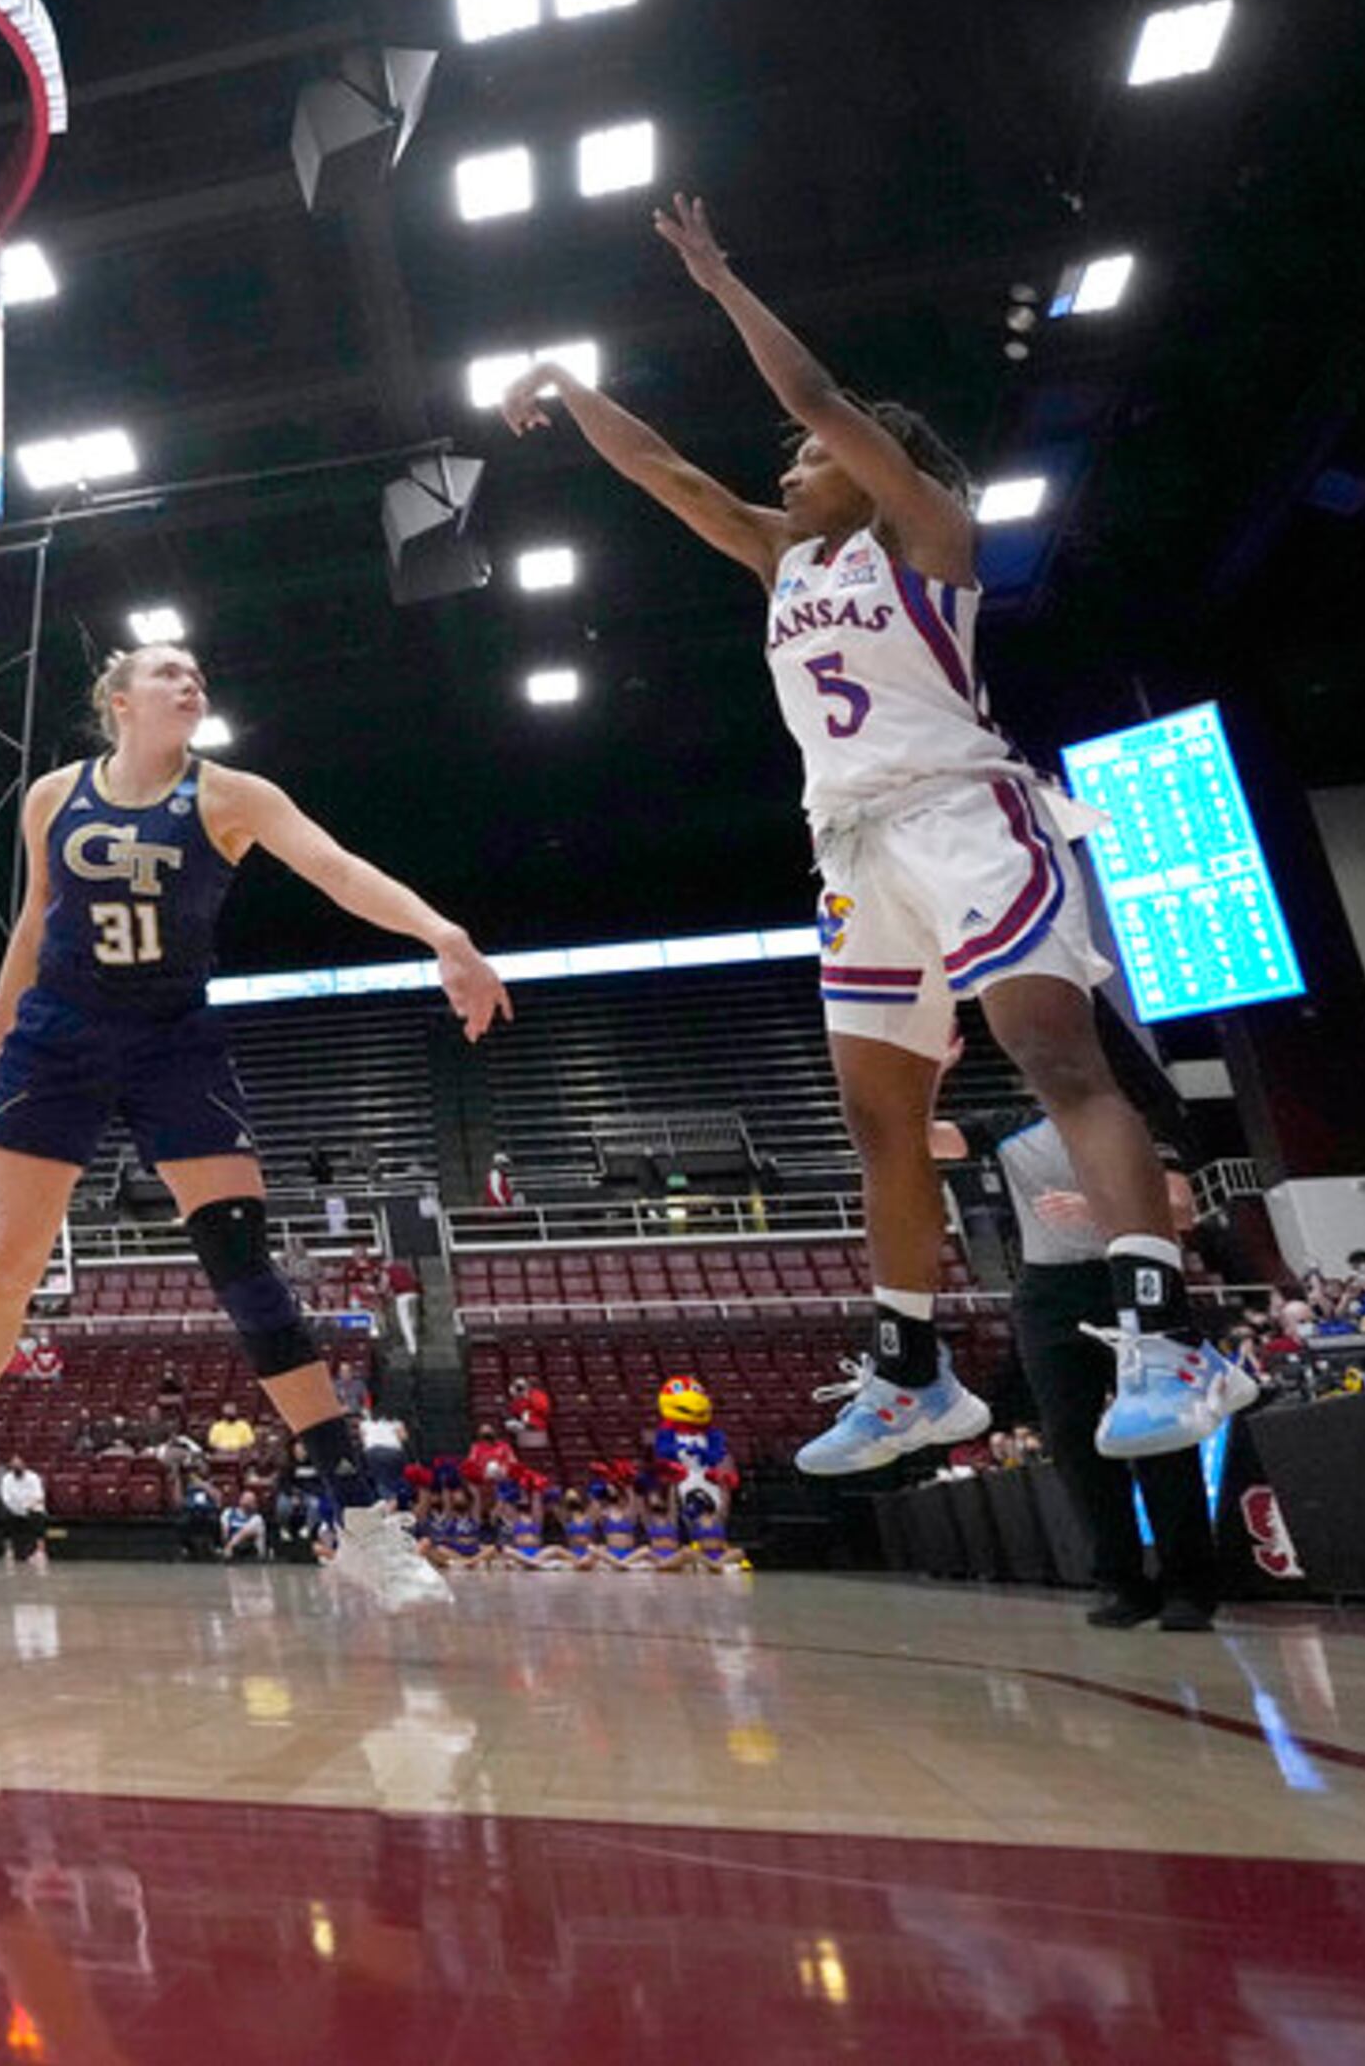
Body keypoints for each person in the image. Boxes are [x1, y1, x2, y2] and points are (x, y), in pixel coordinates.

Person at [504, 190, 1250, 1472]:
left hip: (965, 813)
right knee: (876, 1114)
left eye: (806, 459)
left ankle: (1167, 1332)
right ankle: (912, 1371)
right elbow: (663, 470)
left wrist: (719, 278)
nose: (788, 468)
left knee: (1053, 1055)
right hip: (853, 849)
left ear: (874, 464)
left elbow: (820, 399)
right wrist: (573, 384)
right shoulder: (779, 558)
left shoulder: (931, 535)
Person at [0, 640, 507, 1612]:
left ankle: (364, 1520)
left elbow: (335, 868)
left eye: (200, 675)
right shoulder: (52, 794)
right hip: (59, 1035)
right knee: (8, 1260)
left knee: (244, 1268)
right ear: (120, 700)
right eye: (170, 672)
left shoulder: (233, 794)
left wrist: (445, 933)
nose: (193, 682)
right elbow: (35, 916)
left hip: (173, 1038)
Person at [934, 1009, 1228, 1630]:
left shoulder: (1131, 1122)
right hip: (1049, 1290)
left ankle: (1189, 1586)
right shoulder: (1009, 1127)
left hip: (1133, 1279)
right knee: (1071, 1439)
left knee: (1160, 1434)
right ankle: (1120, 1581)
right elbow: (914, 1139)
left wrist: (1101, 1209)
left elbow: (1180, 1209)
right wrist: (931, 1075)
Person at [0, 1457, 49, 1568]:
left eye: (19, 1466)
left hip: (32, 1507)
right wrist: (17, 1509)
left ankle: (40, 1551)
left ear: (24, 1466)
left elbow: (39, 1496)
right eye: (14, 1466)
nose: (17, 1468)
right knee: (4, 1515)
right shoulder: (6, 1479)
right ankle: (9, 1550)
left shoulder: (33, 1477)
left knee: (38, 1516)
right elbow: (6, 1499)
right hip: (14, 1508)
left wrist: (26, 1507)